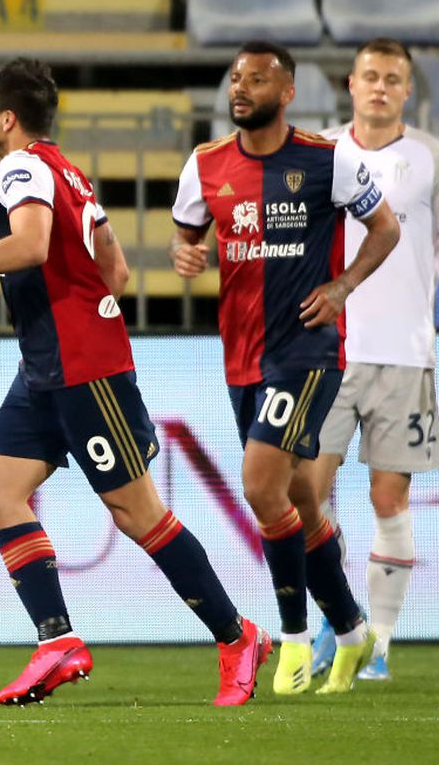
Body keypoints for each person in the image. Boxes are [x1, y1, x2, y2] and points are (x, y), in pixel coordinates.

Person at [0, 57, 269, 707]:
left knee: (137, 513)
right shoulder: (66, 170)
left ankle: (238, 635)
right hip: (47, 368)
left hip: (84, 369)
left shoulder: (19, 167)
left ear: (8, 118)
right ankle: (57, 642)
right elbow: (118, 272)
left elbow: (34, 245)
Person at [169, 40, 402, 695]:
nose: (240, 88)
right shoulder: (206, 163)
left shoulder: (329, 159)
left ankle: (294, 641)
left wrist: (342, 287)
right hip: (240, 354)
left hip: (306, 351)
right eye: (235, 78)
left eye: (257, 79)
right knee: (297, 496)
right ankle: (352, 632)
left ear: (288, 91)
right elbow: (186, 236)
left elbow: (385, 228)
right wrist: (186, 257)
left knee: (259, 485)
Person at [308, 38, 439, 681]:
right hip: (328, 354)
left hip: (405, 356)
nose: (380, 87)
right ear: (350, 84)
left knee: (389, 496)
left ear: (407, 90)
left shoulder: (435, 159)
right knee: (309, 496)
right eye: (370, 76)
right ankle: (338, 613)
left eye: (393, 78)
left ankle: (378, 641)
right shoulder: (320, 153)